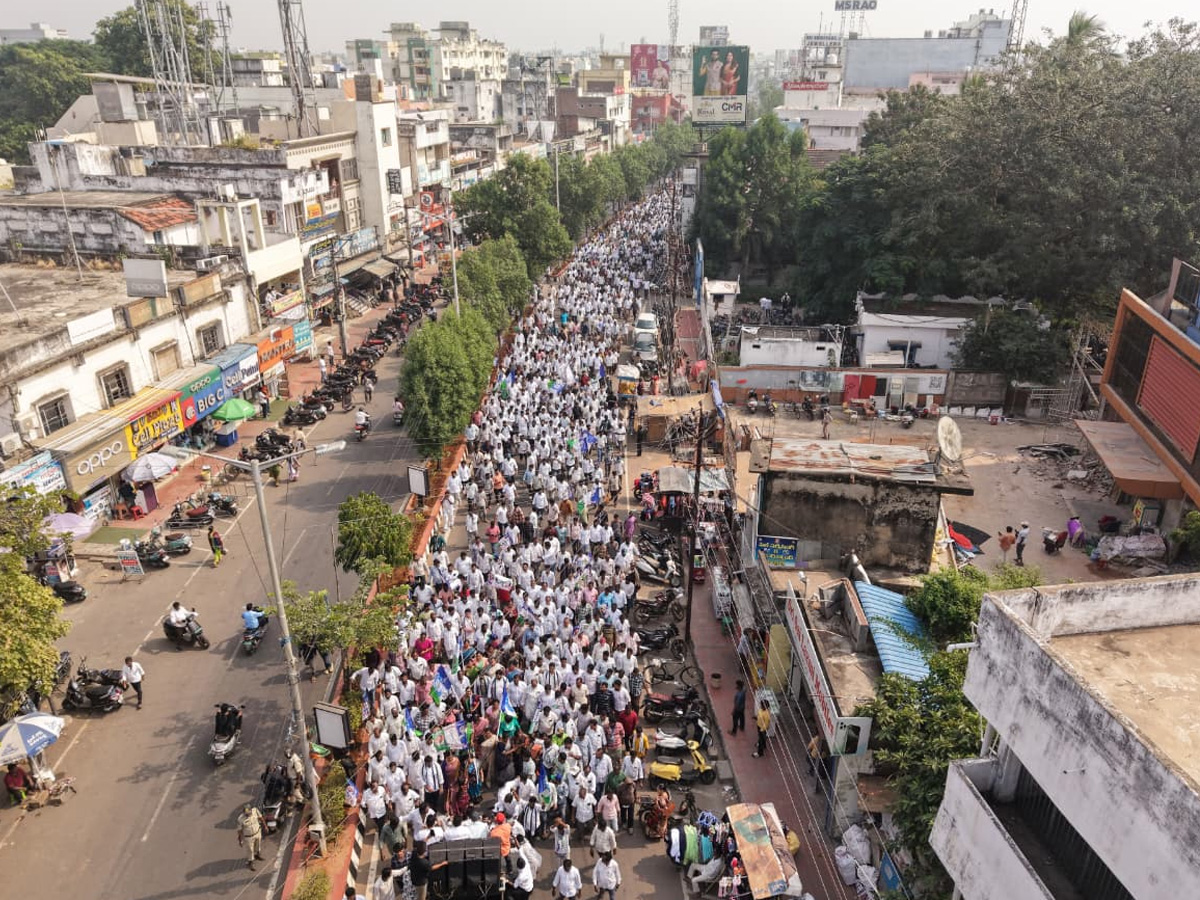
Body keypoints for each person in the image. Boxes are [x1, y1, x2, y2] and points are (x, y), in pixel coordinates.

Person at [237, 803, 266, 870]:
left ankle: (257, 855)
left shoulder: (255, 811)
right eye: (246, 814)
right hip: (248, 837)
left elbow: (261, 818)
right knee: (250, 850)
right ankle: (251, 862)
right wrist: (240, 840)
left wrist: (265, 826)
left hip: (257, 833)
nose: (248, 815)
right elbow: (239, 831)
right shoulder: (240, 819)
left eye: (249, 813)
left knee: (258, 845)